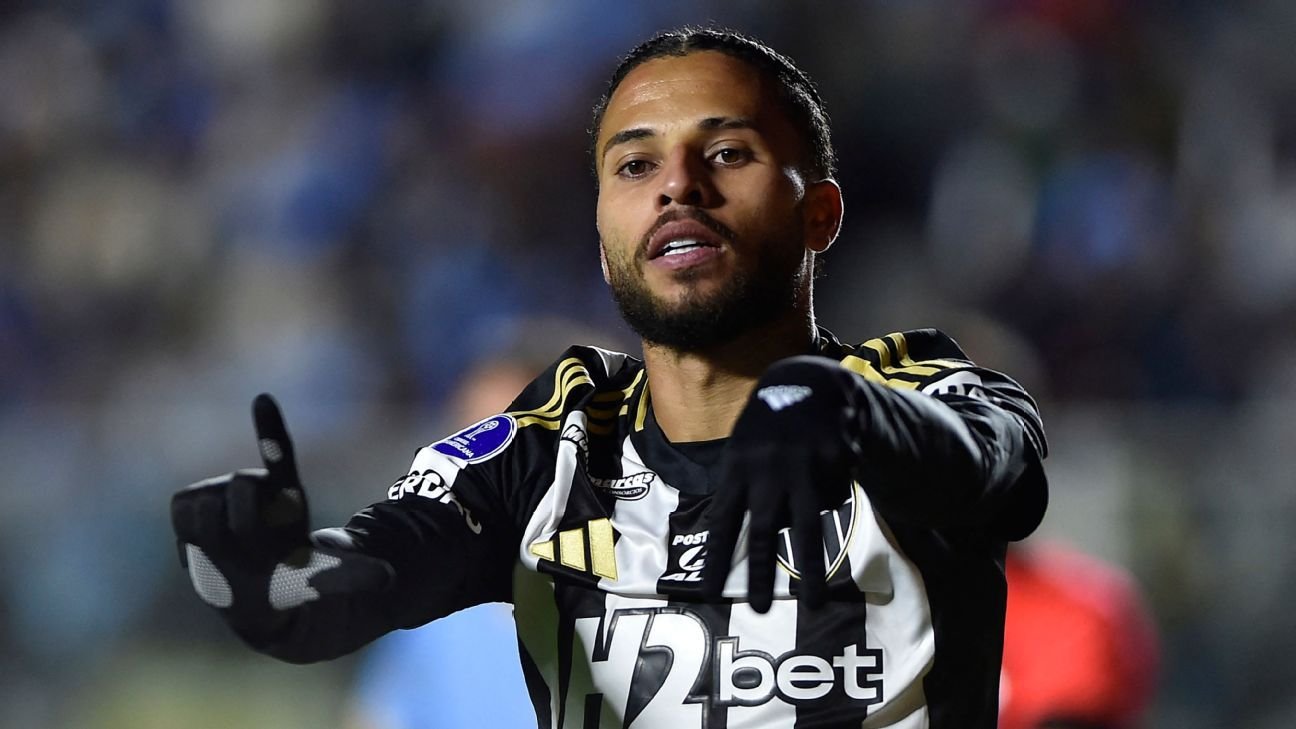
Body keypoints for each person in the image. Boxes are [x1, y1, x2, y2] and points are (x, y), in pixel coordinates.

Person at [171, 27, 1049, 729]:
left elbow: (999, 469)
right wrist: (250, 574)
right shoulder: (547, 448)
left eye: (727, 152)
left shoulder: (915, 389)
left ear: (819, 213)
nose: (678, 186)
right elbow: (325, 595)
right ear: (603, 240)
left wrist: (840, 408)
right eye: (635, 165)